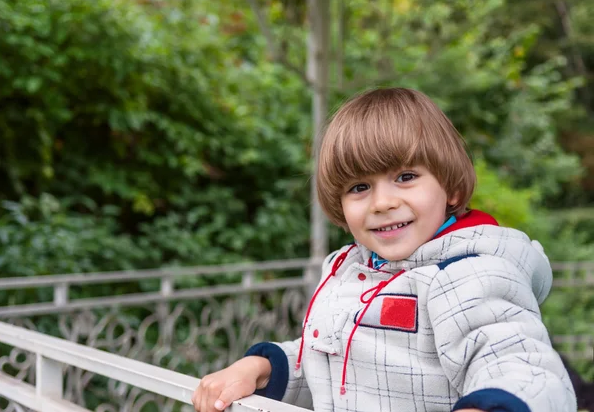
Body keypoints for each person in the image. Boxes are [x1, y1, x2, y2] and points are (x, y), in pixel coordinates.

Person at [192, 88, 577, 412]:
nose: (382, 202)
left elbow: (519, 363)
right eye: (359, 187)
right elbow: (335, 364)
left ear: (452, 190)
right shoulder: (350, 269)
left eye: (406, 177)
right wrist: (263, 367)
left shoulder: (466, 273)